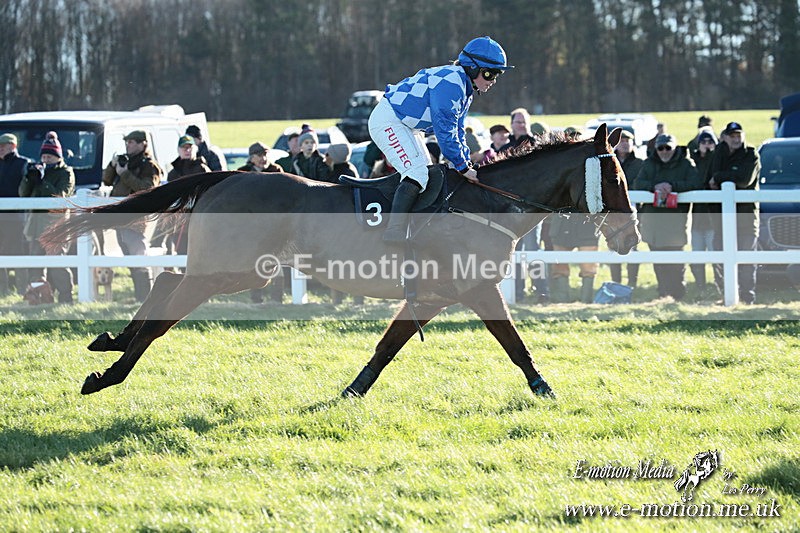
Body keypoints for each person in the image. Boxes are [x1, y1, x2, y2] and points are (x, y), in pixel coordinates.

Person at [368, 36, 512, 243]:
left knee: (428, 174)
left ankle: (413, 227)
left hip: (405, 125)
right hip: (388, 120)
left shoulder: (464, 88)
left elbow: (458, 131)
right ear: (473, 68)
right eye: (490, 73)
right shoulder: (452, 83)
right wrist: (463, 168)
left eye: (497, 75)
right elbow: (445, 132)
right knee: (417, 173)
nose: (493, 81)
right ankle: (394, 231)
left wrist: (465, 163)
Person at [633, 133, 702, 300]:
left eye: (668, 148)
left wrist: (673, 186)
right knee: (658, 261)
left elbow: (695, 183)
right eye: (660, 148)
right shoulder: (649, 163)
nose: (664, 151)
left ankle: (678, 294)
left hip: (676, 221)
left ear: (675, 148)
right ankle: (663, 293)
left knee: (676, 260)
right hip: (653, 221)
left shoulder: (686, 164)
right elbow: (638, 183)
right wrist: (654, 186)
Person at [102, 130, 163, 302]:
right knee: (131, 260)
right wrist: (112, 166)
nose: (128, 145)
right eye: (127, 142)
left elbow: (147, 189)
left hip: (137, 220)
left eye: (132, 142)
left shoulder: (149, 166)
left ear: (143, 144)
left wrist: (125, 174)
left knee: (139, 259)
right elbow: (106, 180)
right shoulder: (125, 162)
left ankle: (146, 298)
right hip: (120, 219)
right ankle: (140, 298)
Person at [18, 132, 75, 303]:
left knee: (57, 264)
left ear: (58, 157)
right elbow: (23, 194)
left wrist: (44, 182)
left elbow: (60, 196)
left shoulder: (66, 172)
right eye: (44, 156)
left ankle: (66, 297)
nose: (46, 160)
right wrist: (29, 178)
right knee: (35, 265)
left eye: (49, 156)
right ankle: (39, 296)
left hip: (55, 227)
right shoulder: (37, 172)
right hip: (35, 226)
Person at [708, 121, 760, 304]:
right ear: (725, 138)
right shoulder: (719, 152)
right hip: (722, 217)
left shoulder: (751, 154)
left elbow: (744, 180)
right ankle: (726, 295)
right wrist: (721, 176)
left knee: (746, 259)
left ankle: (747, 297)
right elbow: (709, 177)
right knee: (720, 255)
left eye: (739, 135)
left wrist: (720, 177)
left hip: (745, 216)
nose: (736, 139)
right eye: (732, 136)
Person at [155, 135, 212, 256]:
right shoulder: (173, 173)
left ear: (195, 149)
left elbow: (209, 194)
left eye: (190, 147)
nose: (187, 150)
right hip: (178, 220)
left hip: (198, 219)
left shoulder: (203, 169)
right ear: (178, 150)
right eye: (184, 147)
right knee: (180, 250)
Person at [608, 130, 644, 287]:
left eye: (628, 141)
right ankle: (616, 282)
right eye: (622, 141)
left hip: (632, 212)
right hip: (613, 212)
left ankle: (632, 283)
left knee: (632, 244)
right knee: (613, 245)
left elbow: (641, 183)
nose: (625, 143)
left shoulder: (640, 163)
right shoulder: (610, 161)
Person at [689, 129, 718, 298]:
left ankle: (718, 284)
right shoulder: (693, 161)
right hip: (697, 217)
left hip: (713, 218)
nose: (707, 145)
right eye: (703, 142)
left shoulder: (718, 160)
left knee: (716, 253)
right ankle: (700, 286)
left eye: (710, 142)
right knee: (697, 253)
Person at [0, 133, 30, 294]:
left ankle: (22, 289)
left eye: (3, 146)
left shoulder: (23, 163)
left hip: (15, 217)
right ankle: (2, 289)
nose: (0, 149)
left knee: (17, 251)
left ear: (13, 146)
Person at [548, 213, 600, 303]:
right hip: (561, 225)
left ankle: (586, 301)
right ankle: (562, 301)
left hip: (587, 226)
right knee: (559, 267)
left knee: (589, 268)